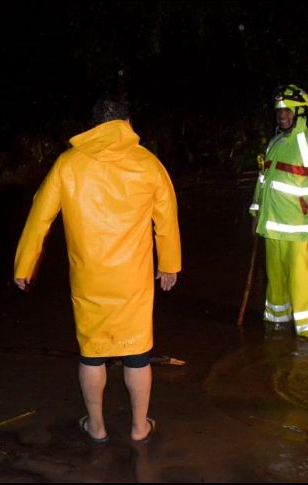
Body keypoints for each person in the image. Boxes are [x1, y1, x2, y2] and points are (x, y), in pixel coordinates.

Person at [13, 95, 182, 443]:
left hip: (89, 277)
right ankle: (139, 427)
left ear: (92, 126)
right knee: (137, 353)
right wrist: (170, 263)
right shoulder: (147, 163)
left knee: (92, 352)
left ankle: (97, 426)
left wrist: (24, 263)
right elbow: (166, 216)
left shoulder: (69, 164)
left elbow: (40, 214)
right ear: (126, 122)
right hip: (133, 278)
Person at [249, 84, 308, 337]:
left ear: (300, 112)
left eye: (288, 110)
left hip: (301, 234)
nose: (283, 116)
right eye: (279, 111)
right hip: (272, 230)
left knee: (304, 285)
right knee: (275, 286)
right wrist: (255, 214)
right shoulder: (273, 143)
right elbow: (262, 183)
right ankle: (276, 328)